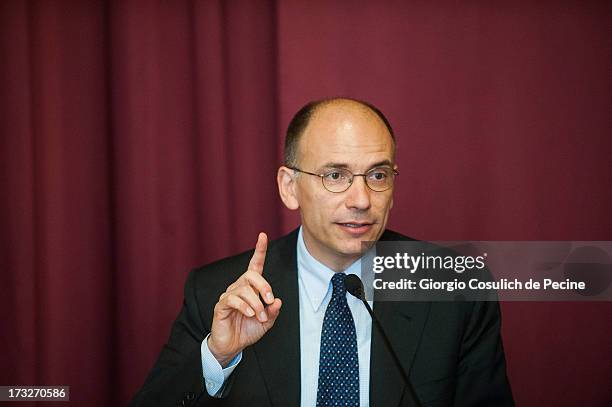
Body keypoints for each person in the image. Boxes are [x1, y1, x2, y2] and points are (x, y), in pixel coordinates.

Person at [130, 98, 514, 406]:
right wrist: (218, 358)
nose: (361, 199)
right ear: (289, 187)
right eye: (336, 176)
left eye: (378, 176)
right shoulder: (218, 292)